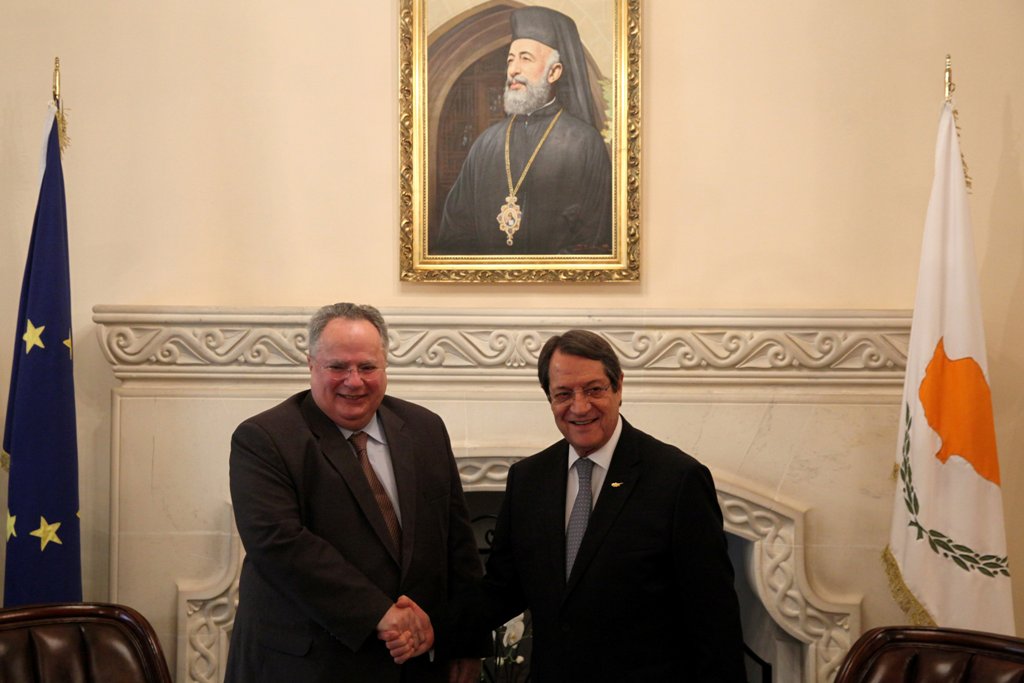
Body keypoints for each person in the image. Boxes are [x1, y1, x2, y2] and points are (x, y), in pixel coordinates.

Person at [226, 303, 483, 683]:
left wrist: (465, 639)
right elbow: (280, 545)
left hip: (412, 666)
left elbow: (458, 544)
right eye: (337, 367)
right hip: (307, 666)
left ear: (385, 367)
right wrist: (382, 614)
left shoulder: (424, 429)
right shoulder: (265, 439)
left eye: (367, 367)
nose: (354, 381)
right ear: (311, 364)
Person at [472, 330, 747, 681]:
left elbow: (714, 620)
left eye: (594, 389)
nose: (580, 406)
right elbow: (501, 590)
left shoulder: (678, 480)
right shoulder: (528, 479)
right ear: (549, 399)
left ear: (619, 388)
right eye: (563, 394)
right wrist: (431, 628)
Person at [432, 5, 612, 256]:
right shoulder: (486, 144)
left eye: (525, 58)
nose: (513, 70)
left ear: (554, 72)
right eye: (510, 60)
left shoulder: (584, 144)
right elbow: (455, 231)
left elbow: (596, 237)